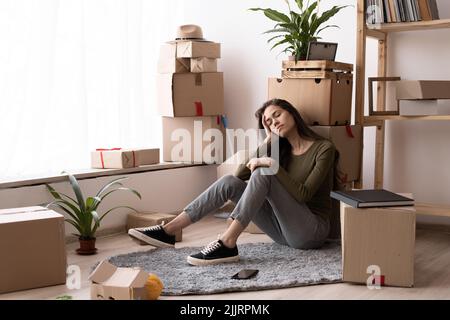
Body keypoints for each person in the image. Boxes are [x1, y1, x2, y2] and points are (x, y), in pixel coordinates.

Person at [128, 98, 340, 266]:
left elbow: (304, 194)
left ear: (292, 113)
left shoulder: (324, 148)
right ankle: (169, 231)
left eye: (277, 114)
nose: (274, 121)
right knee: (230, 180)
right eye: (268, 122)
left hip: (311, 232)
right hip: (282, 232)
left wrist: (269, 165)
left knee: (264, 172)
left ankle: (228, 242)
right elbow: (239, 175)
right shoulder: (277, 149)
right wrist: (268, 143)